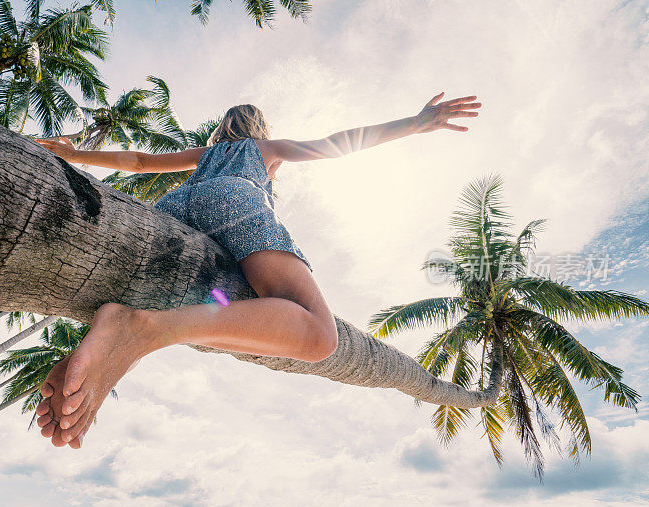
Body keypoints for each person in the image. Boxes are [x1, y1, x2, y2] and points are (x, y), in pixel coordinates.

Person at [33, 92, 481, 448]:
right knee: (319, 335)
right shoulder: (261, 149)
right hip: (233, 200)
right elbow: (334, 144)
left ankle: (105, 342)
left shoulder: (205, 155)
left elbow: (141, 163)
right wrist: (415, 123)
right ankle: (144, 330)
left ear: (221, 129)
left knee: (216, 300)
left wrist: (77, 156)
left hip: (177, 209)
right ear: (259, 129)